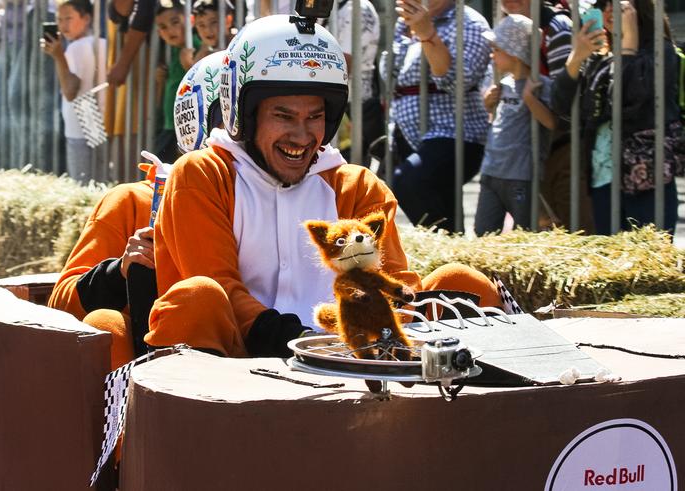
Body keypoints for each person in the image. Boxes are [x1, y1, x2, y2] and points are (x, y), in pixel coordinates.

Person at [128, 15, 501, 359]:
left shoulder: (357, 186)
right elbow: (218, 288)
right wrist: (301, 343)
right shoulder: (202, 174)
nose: (302, 135)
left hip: (345, 358)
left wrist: (382, 336)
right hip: (236, 364)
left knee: (464, 283)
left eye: (316, 116)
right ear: (243, 113)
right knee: (197, 297)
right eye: (283, 116)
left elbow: (391, 286)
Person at [49, 51, 227, 369]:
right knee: (104, 323)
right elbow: (61, 303)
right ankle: (124, 415)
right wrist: (119, 272)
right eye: (233, 121)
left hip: (243, 361)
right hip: (144, 365)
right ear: (197, 122)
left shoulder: (287, 206)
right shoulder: (131, 201)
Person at [551, 0, 682, 235]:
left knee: (647, 265)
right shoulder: (600, 57)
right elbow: (562, 108)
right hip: (603, 180)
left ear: (637, 9)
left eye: (617, 4)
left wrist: (629, 45)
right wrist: (576, 58)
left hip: (646, 181)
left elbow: (631, 99)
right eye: (602, 5)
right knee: (611, 262)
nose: (609, 11)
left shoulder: (660, 50)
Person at [385, 0, 492, 233]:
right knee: (438, 203)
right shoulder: (405, 22)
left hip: (455, 133)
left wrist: (427, 34)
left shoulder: (470, 23)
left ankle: (445, 247)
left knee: (409, 182)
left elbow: (458, 81)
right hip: (408, 132)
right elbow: (390, 75)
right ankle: (449, 262)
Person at [499, 0, 594, 232]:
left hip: (562, 149)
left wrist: (530, 99)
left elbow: (564, 100)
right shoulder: (509, 27)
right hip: (532, 152)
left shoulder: (557, 27)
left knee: (577, 232)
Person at [474, 15, 557, 235]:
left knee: (525, 236)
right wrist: (488, 102)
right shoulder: (502, 84)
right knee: (483, 233)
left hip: (521, 175)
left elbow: (550, 122)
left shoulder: (540, 85)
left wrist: (530, 99)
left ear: (515, 53)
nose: (492, 55)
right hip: (491, 171)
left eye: (497, 50)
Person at [41, 0, 107, 185]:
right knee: (98, 178)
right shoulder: (102, 42)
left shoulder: (76, 47)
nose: (63, 25)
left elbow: (70, 91)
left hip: (80, 117)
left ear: (86, 18)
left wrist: (58, 56)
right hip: (93, 113)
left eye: (69, 18)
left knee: (81, 181)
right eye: (59, 19)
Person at [331, 0, 383, 166]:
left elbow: (343, 66)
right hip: (337, 103)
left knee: (348, 178)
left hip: (353, 108)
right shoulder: (330, 7)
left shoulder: (358, 8)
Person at [152, 0, 196, 164]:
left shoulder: (195, 48)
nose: (170, 30)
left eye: (175, 22)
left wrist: (190, 66)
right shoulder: (172, 52)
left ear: (190, 21)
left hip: (185, 124)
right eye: (163, 27)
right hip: (170, 123)